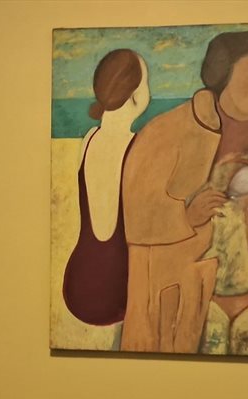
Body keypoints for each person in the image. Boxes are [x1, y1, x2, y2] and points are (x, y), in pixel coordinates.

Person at [120, 29, 248, 355]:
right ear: (223, 73)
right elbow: (134, 215)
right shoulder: (167, 131)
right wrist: (185, 215)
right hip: (178, 294)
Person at [62, 49, 149, 329]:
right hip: (117, 292)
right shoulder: (139, 146)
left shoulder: (89, 138)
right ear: (135, 94)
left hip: (77, 286)